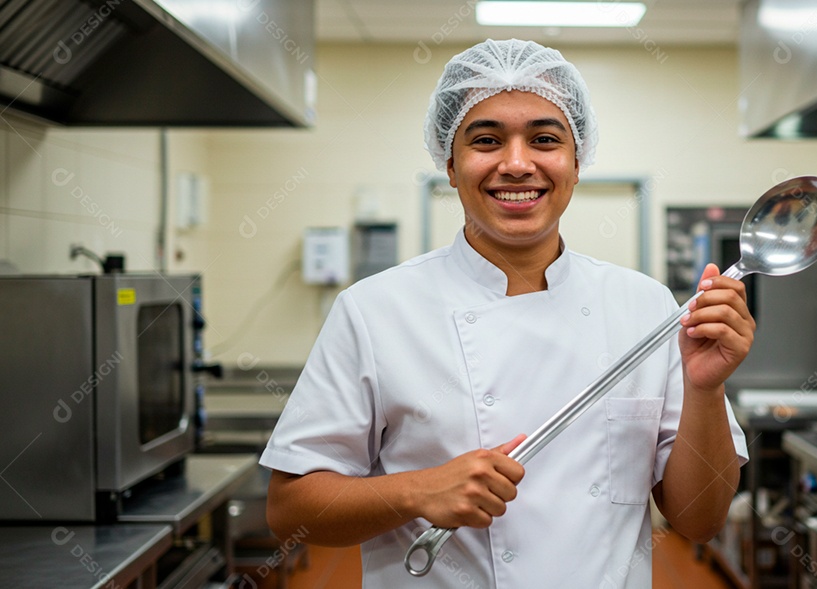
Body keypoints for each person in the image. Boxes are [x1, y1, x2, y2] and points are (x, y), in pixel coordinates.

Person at [261, 39, 753, 588]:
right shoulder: (374, 310)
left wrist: (706, 390)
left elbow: (700, 520)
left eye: (544, 139)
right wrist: (417, 491)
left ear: (576, 160)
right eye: (487, 140)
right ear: (451, 165)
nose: (517, 164)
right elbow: (289, 511)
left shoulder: (646, 307)